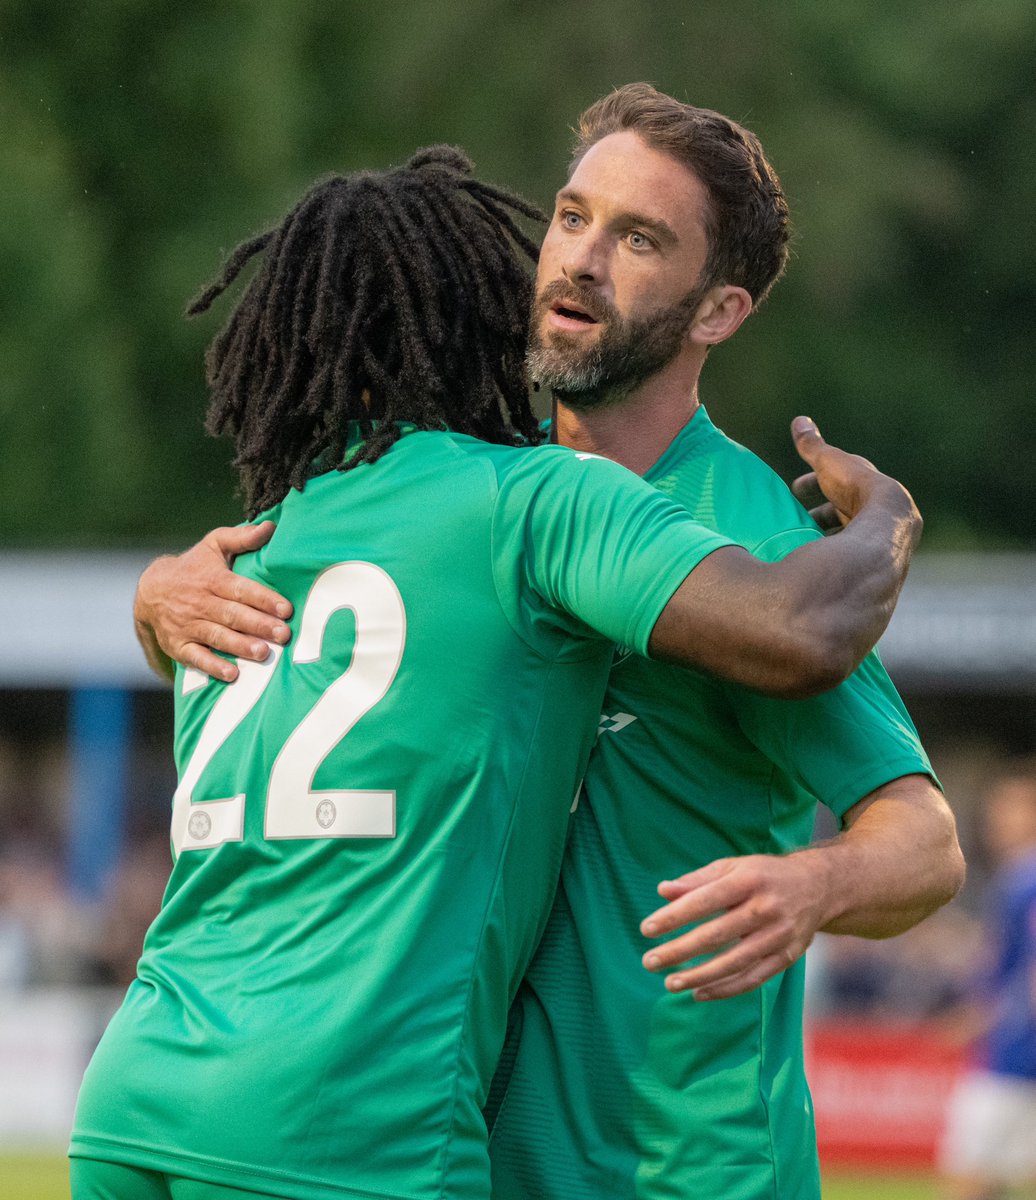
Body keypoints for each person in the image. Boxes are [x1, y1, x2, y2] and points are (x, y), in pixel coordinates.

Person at [131, 91, 965, 1199]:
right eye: (572, 217)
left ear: (718, 311)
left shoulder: (745, 543)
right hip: (471, 1155)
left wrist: (814, 883)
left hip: (679, 1170)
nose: (577, 261)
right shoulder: (478, 492)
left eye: (638, 238)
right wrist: (157, 604)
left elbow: (926, 841)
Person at [938, 762, 1036, 1200]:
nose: (995, 821)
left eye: (1009, 810)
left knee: (970, 1179)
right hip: (1013, 1050)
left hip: (1013, 1057)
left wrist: (980, 1017)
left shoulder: (1024, 879)